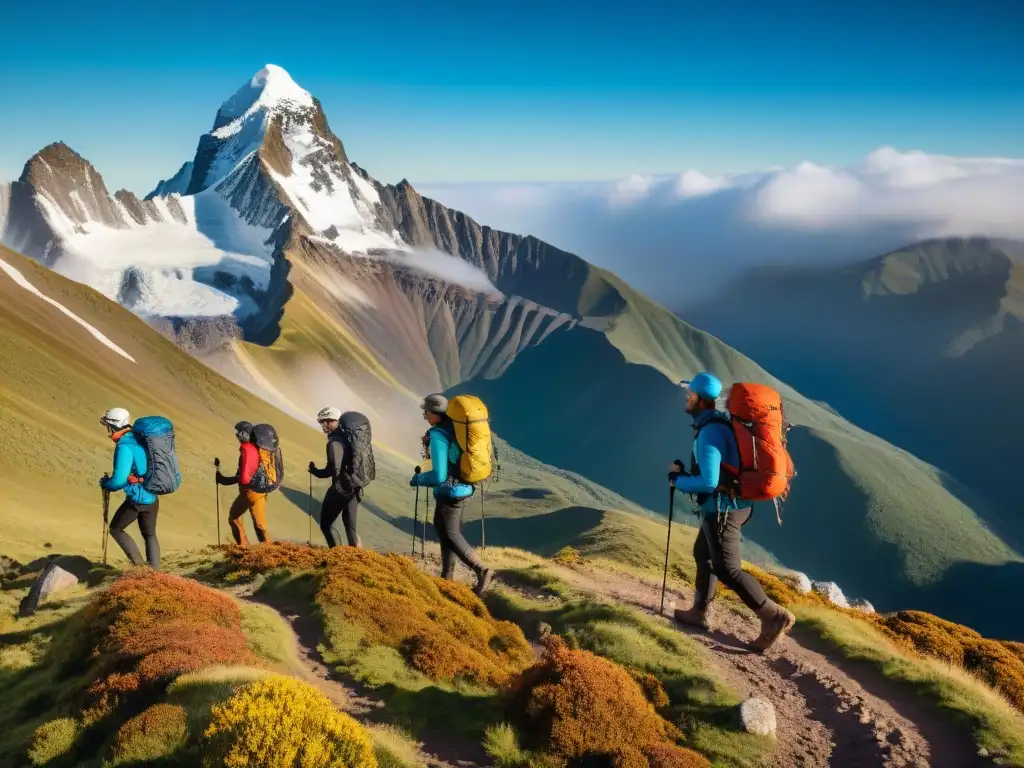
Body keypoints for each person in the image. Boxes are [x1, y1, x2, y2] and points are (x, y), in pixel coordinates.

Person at [670, 372, 795, 652]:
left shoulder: (710, 432)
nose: (686, 398)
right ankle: (699, 612)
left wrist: (677, 480)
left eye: (689, 395)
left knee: (727, 569)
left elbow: (709, 482)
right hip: (733, 504)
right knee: (703, 554)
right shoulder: (720, 424)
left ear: (700, 400)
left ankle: (774, 616)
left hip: (722, 509)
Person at [409, 394, 494, 596]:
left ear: (435, 414)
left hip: (450, 490)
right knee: (444, 528)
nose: (424, 415)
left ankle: (482, 570)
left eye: (426, 412)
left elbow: (439, 475)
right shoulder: (455, 428)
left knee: (450, 533)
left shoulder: (439, 435)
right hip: (463, 487)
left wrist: (418, 479)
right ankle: (447, 576)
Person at [99, 408, 160, 569]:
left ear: (114, 425)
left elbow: (118, 480)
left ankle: (141, 569)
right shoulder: (142, 438)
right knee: (150, 534)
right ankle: (155, 572)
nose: (107, 429)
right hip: (152, 494)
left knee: (116, 529)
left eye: (108, 425)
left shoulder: (125, 446)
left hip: (137, 498)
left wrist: (106, 484)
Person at [309, 407, 362, 548]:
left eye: (324, 422)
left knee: (325, 525)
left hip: (340, 488)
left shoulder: (334, 442)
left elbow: (333, 470)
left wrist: (315, 471)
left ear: (332, 421)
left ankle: (335, 555)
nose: (323, 426)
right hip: (355, 486)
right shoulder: (350, 438)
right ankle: (357, 561)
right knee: (350, 528)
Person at [216, 421, 272, 545]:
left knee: (251, 522)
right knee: (258, 524)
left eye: (238, 434)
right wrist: (224, 479)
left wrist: (227, 480)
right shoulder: (255, 448)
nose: (237, 437)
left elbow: (243, 477)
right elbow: (241, 475)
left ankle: (256, 551)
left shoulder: (247, 449)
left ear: (243, 434)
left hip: (250, 492)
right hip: (258, 491)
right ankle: (264, 552)